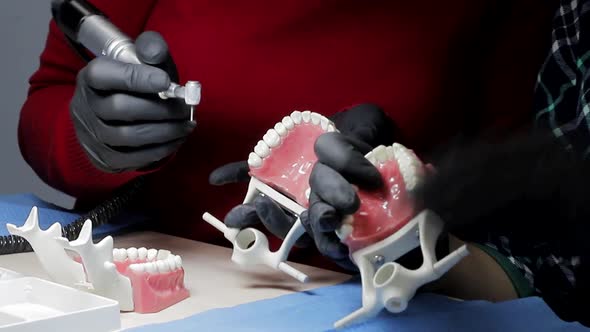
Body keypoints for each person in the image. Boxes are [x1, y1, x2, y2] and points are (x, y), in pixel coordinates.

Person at [19, 0, 560, 297]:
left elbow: (522, 197)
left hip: (386, 298)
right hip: (154, 274)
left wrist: (396, 206)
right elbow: (48, 100)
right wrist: (92, 140)